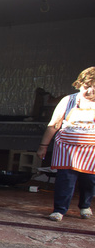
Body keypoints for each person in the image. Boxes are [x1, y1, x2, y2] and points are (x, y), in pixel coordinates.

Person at [37, 67, 95, 221]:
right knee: (65, 180)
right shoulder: (68, 100)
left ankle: (85, 206)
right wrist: (43, 146)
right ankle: (59, 210)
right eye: (87, 87)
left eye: (94, 88)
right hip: (67, 149)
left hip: (91, 151)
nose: (90, 91)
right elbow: (54, 125)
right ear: (79, 84)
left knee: (89, 181)